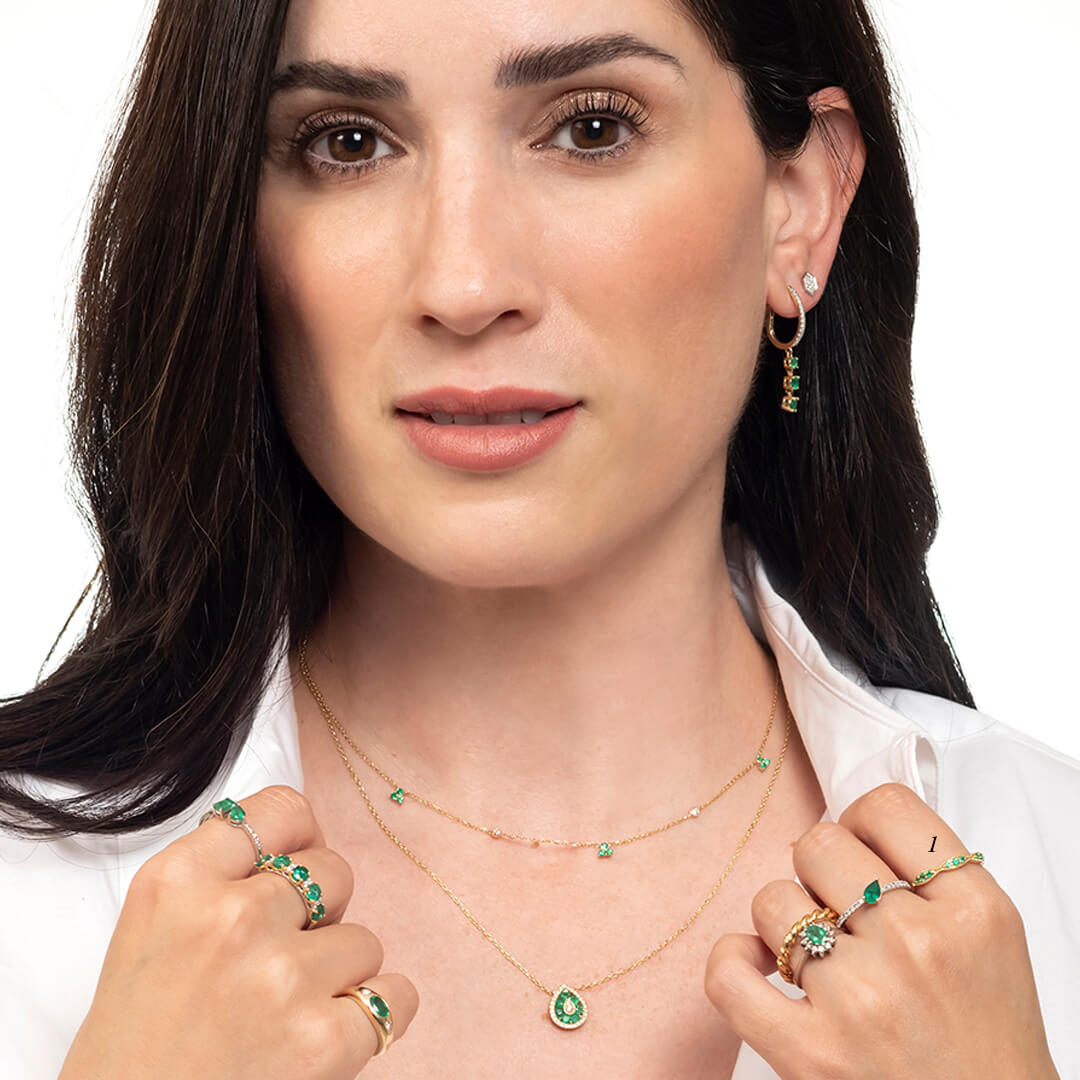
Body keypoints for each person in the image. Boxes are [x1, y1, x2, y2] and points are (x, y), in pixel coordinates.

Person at [0, 0, 1076, 1076]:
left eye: (591, 128)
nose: (464, 288)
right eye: (348, 143)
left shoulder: (1051, 855)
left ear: (798, 202)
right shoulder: (27, 898)